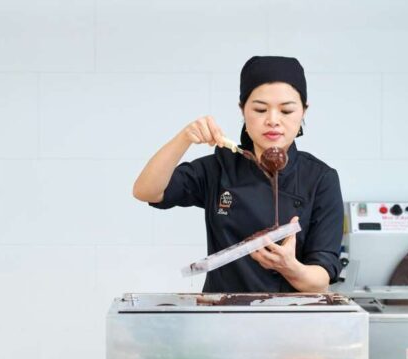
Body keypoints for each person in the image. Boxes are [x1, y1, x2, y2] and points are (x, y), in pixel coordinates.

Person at [133, 56, 344, 293]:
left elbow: (321, 279)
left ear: (303, 111)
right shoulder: (220, 167)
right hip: (222, 317)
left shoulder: (320, 178)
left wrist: (290, 267)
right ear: (242, 110)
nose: (273, 120)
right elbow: (146, 191)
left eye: (286, 110)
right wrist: (184, 138)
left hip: (290, 320)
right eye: (260, 109)